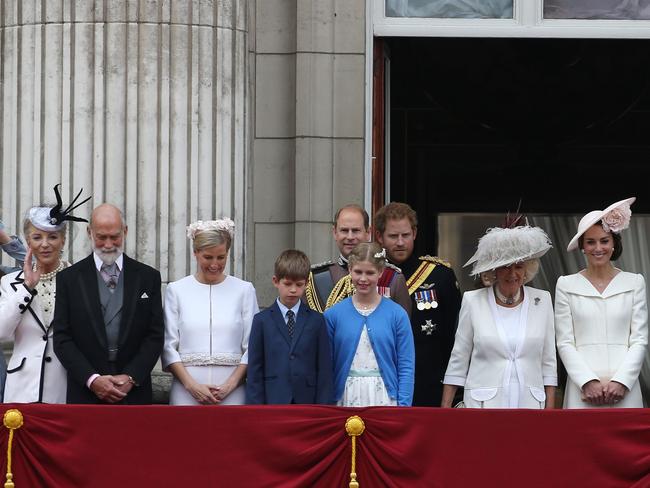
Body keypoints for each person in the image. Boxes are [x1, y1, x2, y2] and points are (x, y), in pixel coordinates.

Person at [53, 203, 164, 404]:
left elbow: (155, 335)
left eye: (115, 236)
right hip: (85, 394)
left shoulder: (148, 277)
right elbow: (62, 338)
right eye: (101, 237)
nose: (108, 244)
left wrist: (131, 376)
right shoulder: (68, 279)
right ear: (89, 232)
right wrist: (92, 379)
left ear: (125, 231)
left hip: (134, 393)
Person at [441, 223, 557, 409]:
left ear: (527, 269)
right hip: (483, 406)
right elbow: (458, 360)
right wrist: (445, 412)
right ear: (494, 270)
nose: (512, 274)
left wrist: (550, 413)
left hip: (530, 406)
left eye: (518, 267)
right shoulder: (473, 301)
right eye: (505, 267)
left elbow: (549, 362)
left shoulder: (542, 301)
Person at [0, 185, 90, 403]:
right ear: (28, 241)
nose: (45, 244)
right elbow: (2, 333)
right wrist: (26, 288)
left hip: (66, 386)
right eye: (37, 237)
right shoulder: (11, 282)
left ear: (63, 241)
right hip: (22, 388)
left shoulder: (80, 280)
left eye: (52, 237)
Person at [556, 197, 647, 408]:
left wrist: (621, 381)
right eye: (591, 242)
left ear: (614, 243)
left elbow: (639, 339)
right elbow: (565, 341)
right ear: (582, 247)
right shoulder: (566, 284)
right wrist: (587, 381)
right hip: (582, 391)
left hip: (625, 390)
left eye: (604, 240)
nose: (598, 248)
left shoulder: (634, 282)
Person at [162, 218, 258, 405]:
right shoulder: (177, 290)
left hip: (233, 391)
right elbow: (168, 346)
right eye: (208, 257)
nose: (215, 264)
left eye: (221, 257)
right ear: (196, 253)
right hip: (186, 391)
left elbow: (252, 345)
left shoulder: (244, 290)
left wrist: (231, 385)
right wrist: (191, 386)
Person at [374, 202, 461, 407]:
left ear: (414, 233)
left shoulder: (439, 275)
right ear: (379, 237)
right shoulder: (370, 277)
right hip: (382, 382)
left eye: (405, 235)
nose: (400, 242)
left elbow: (456, 336)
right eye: (393, 236)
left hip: (429, 384)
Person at [325, 242, 415, 407]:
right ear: (350, 270)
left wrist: (403, 406)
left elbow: (406, 365)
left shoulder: (397, 315)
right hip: (345, 395)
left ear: (380, 272)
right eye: (358, 272)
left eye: (370, 273)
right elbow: (327, 365)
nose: (363, 279)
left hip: (385, 396)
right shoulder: (333, 315)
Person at [246, 249, 333, 404]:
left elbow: (324, 369)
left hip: (307, 400)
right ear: (275, 281)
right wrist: (255, 409)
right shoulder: (261, 321)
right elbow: (255, 369)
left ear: (307, 284)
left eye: (299, 284)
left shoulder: (317, 320)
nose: (293, 290)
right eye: (287, 284)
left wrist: (323, 407)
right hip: (273, 399)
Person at [304, 204, 411, 317]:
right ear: (335, 233)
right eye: (344, 230)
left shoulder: (392, 278)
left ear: (368, 233)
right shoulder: (316, 278)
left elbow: (402, 329)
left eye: (355, 230)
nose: (350, 237)